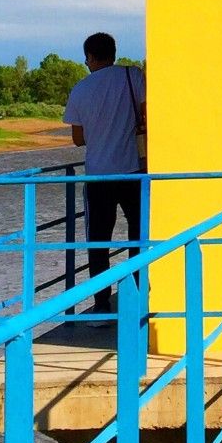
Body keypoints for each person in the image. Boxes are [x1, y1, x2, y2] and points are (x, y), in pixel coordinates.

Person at [63, 31, 148, 316]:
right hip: (133, 172)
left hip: (98, 175)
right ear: (114, 52)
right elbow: (148, 114)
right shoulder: (132, 77)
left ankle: (100, 304)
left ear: (89, 57)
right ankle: (139, 293)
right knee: (138, 234)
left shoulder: (80, 89)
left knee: (98, 240)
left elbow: (78, 139)